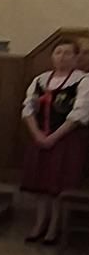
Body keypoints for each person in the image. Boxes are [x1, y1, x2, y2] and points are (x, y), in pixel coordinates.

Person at [19, 38, 89, 244]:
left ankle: (54, 227)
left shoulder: (83, 81)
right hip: (41, 137)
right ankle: (39, 223)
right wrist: (37, 134)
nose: (62, 57)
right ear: (52, 56)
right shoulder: (40, 80)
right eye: (58, 52)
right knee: (41, 183)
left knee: (58, 183)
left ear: (76, 57)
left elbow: (80, 113)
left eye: (68, 53)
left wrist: (54, 137)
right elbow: (28, 109)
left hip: (67, 139)